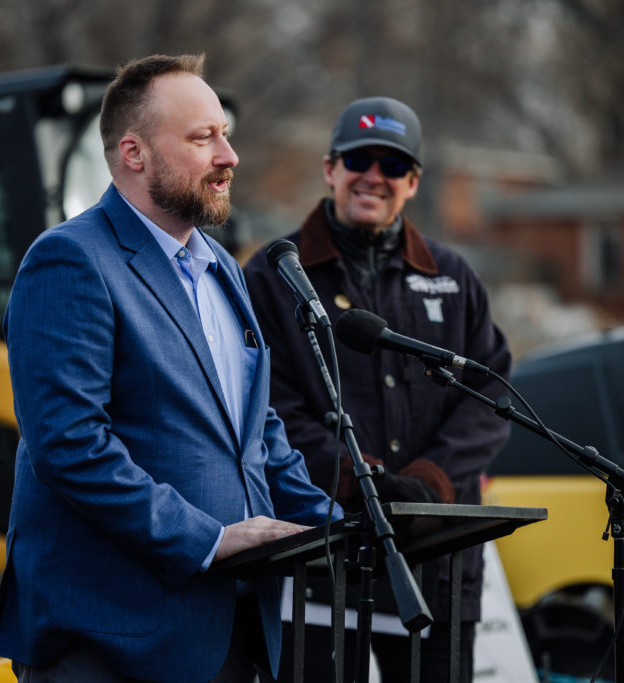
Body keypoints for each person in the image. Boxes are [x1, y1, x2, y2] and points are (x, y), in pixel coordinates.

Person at [0, 53, 342, 683]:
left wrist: (347, 529)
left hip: (228, 631)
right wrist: (209, 539)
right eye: (203, 138)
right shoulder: (70, 261)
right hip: (110, 639)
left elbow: (255, 434)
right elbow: (69, 446)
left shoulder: (223, 268)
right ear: (134, 153)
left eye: (225, 135)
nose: (229, 156)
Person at [243, 96, 512, 682]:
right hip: (318, 555)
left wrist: (429, 480)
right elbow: (262, 399)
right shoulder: (273, 272)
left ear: (412, 182)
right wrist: (348, 476)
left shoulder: (453, 277)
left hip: (439, 565)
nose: (373, 176)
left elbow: (492, 396)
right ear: (330, 168)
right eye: (358, 160)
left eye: (392, 165)